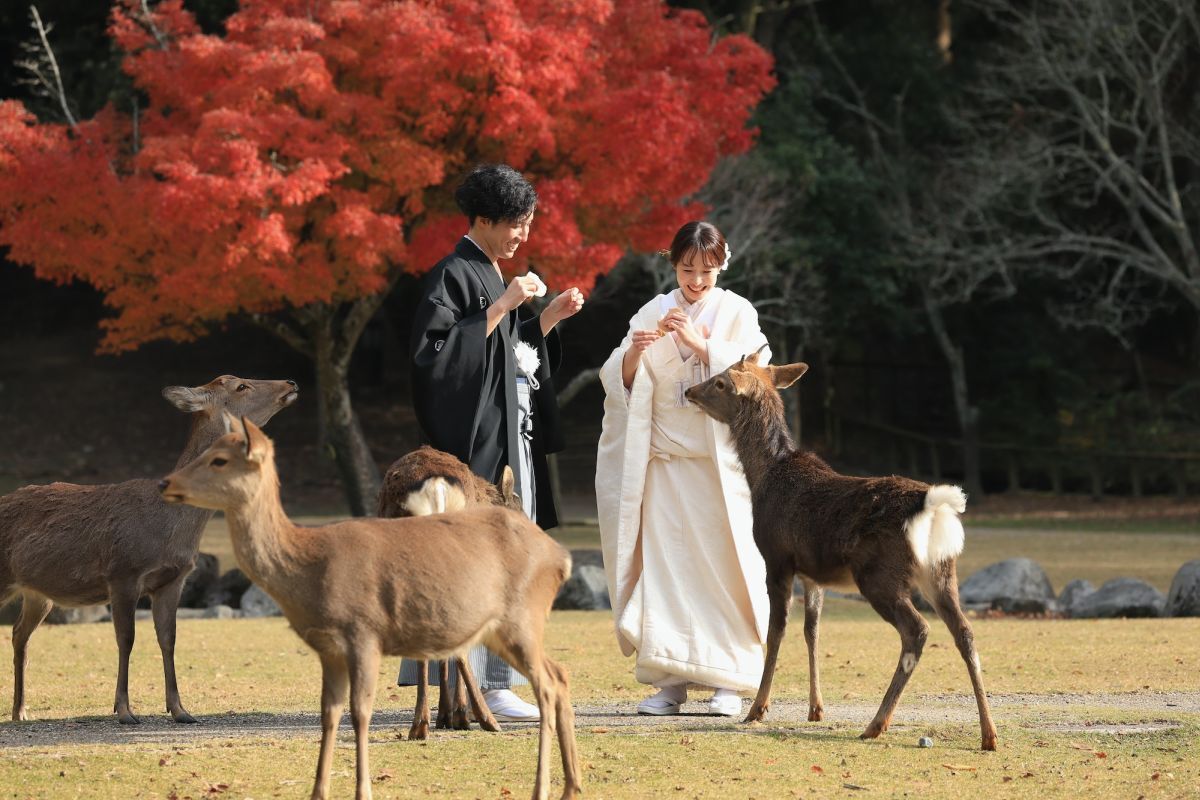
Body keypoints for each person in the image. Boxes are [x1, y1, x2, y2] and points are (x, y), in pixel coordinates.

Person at [401, 163, 585, 721]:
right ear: (483, 219)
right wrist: (503, 305)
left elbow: (508, 357)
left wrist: (545, 320)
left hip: (509, 444)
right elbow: (432, 361)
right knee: (470, 561)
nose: (522, 235)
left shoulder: (490, 274)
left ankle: (496, 681)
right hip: (472, 450)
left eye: (527, 223)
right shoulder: (452, 274)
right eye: (515, 223)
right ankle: (475, 686)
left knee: (507, 558)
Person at [595, 220, 771, 717]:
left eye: (706, 271)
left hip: (718, 468)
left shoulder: (737, 311)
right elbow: (618, 381)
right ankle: (669, 682)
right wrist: (634, 354)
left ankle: (728, 682)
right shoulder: (652, 310)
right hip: (666, 466)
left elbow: (758, 375)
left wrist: (702, 346)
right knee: (666, 570)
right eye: (687, 269)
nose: (696, 281)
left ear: (722, 267)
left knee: (724, 570)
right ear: (672, 263)